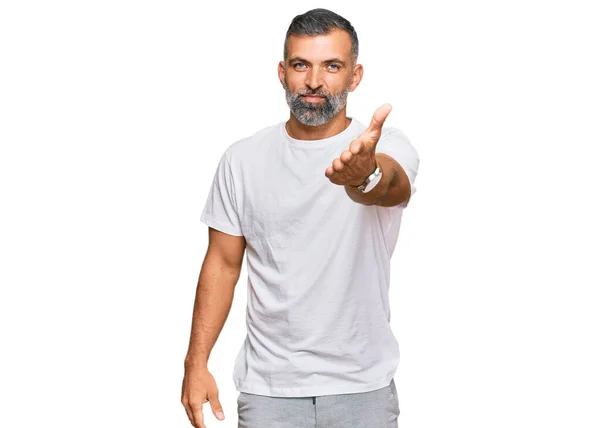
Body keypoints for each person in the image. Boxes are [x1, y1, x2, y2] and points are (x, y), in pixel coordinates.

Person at [181, 8, 420, 428]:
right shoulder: (242, 159)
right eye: (300, 65)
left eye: (332, 66)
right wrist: (195, 362)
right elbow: (222, 262)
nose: (314, 81)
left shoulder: (387, 146)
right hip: (269, 391)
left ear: (355, 76)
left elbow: (391, 186)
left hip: (361, 388)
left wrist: (364, 176)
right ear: (282, 72)